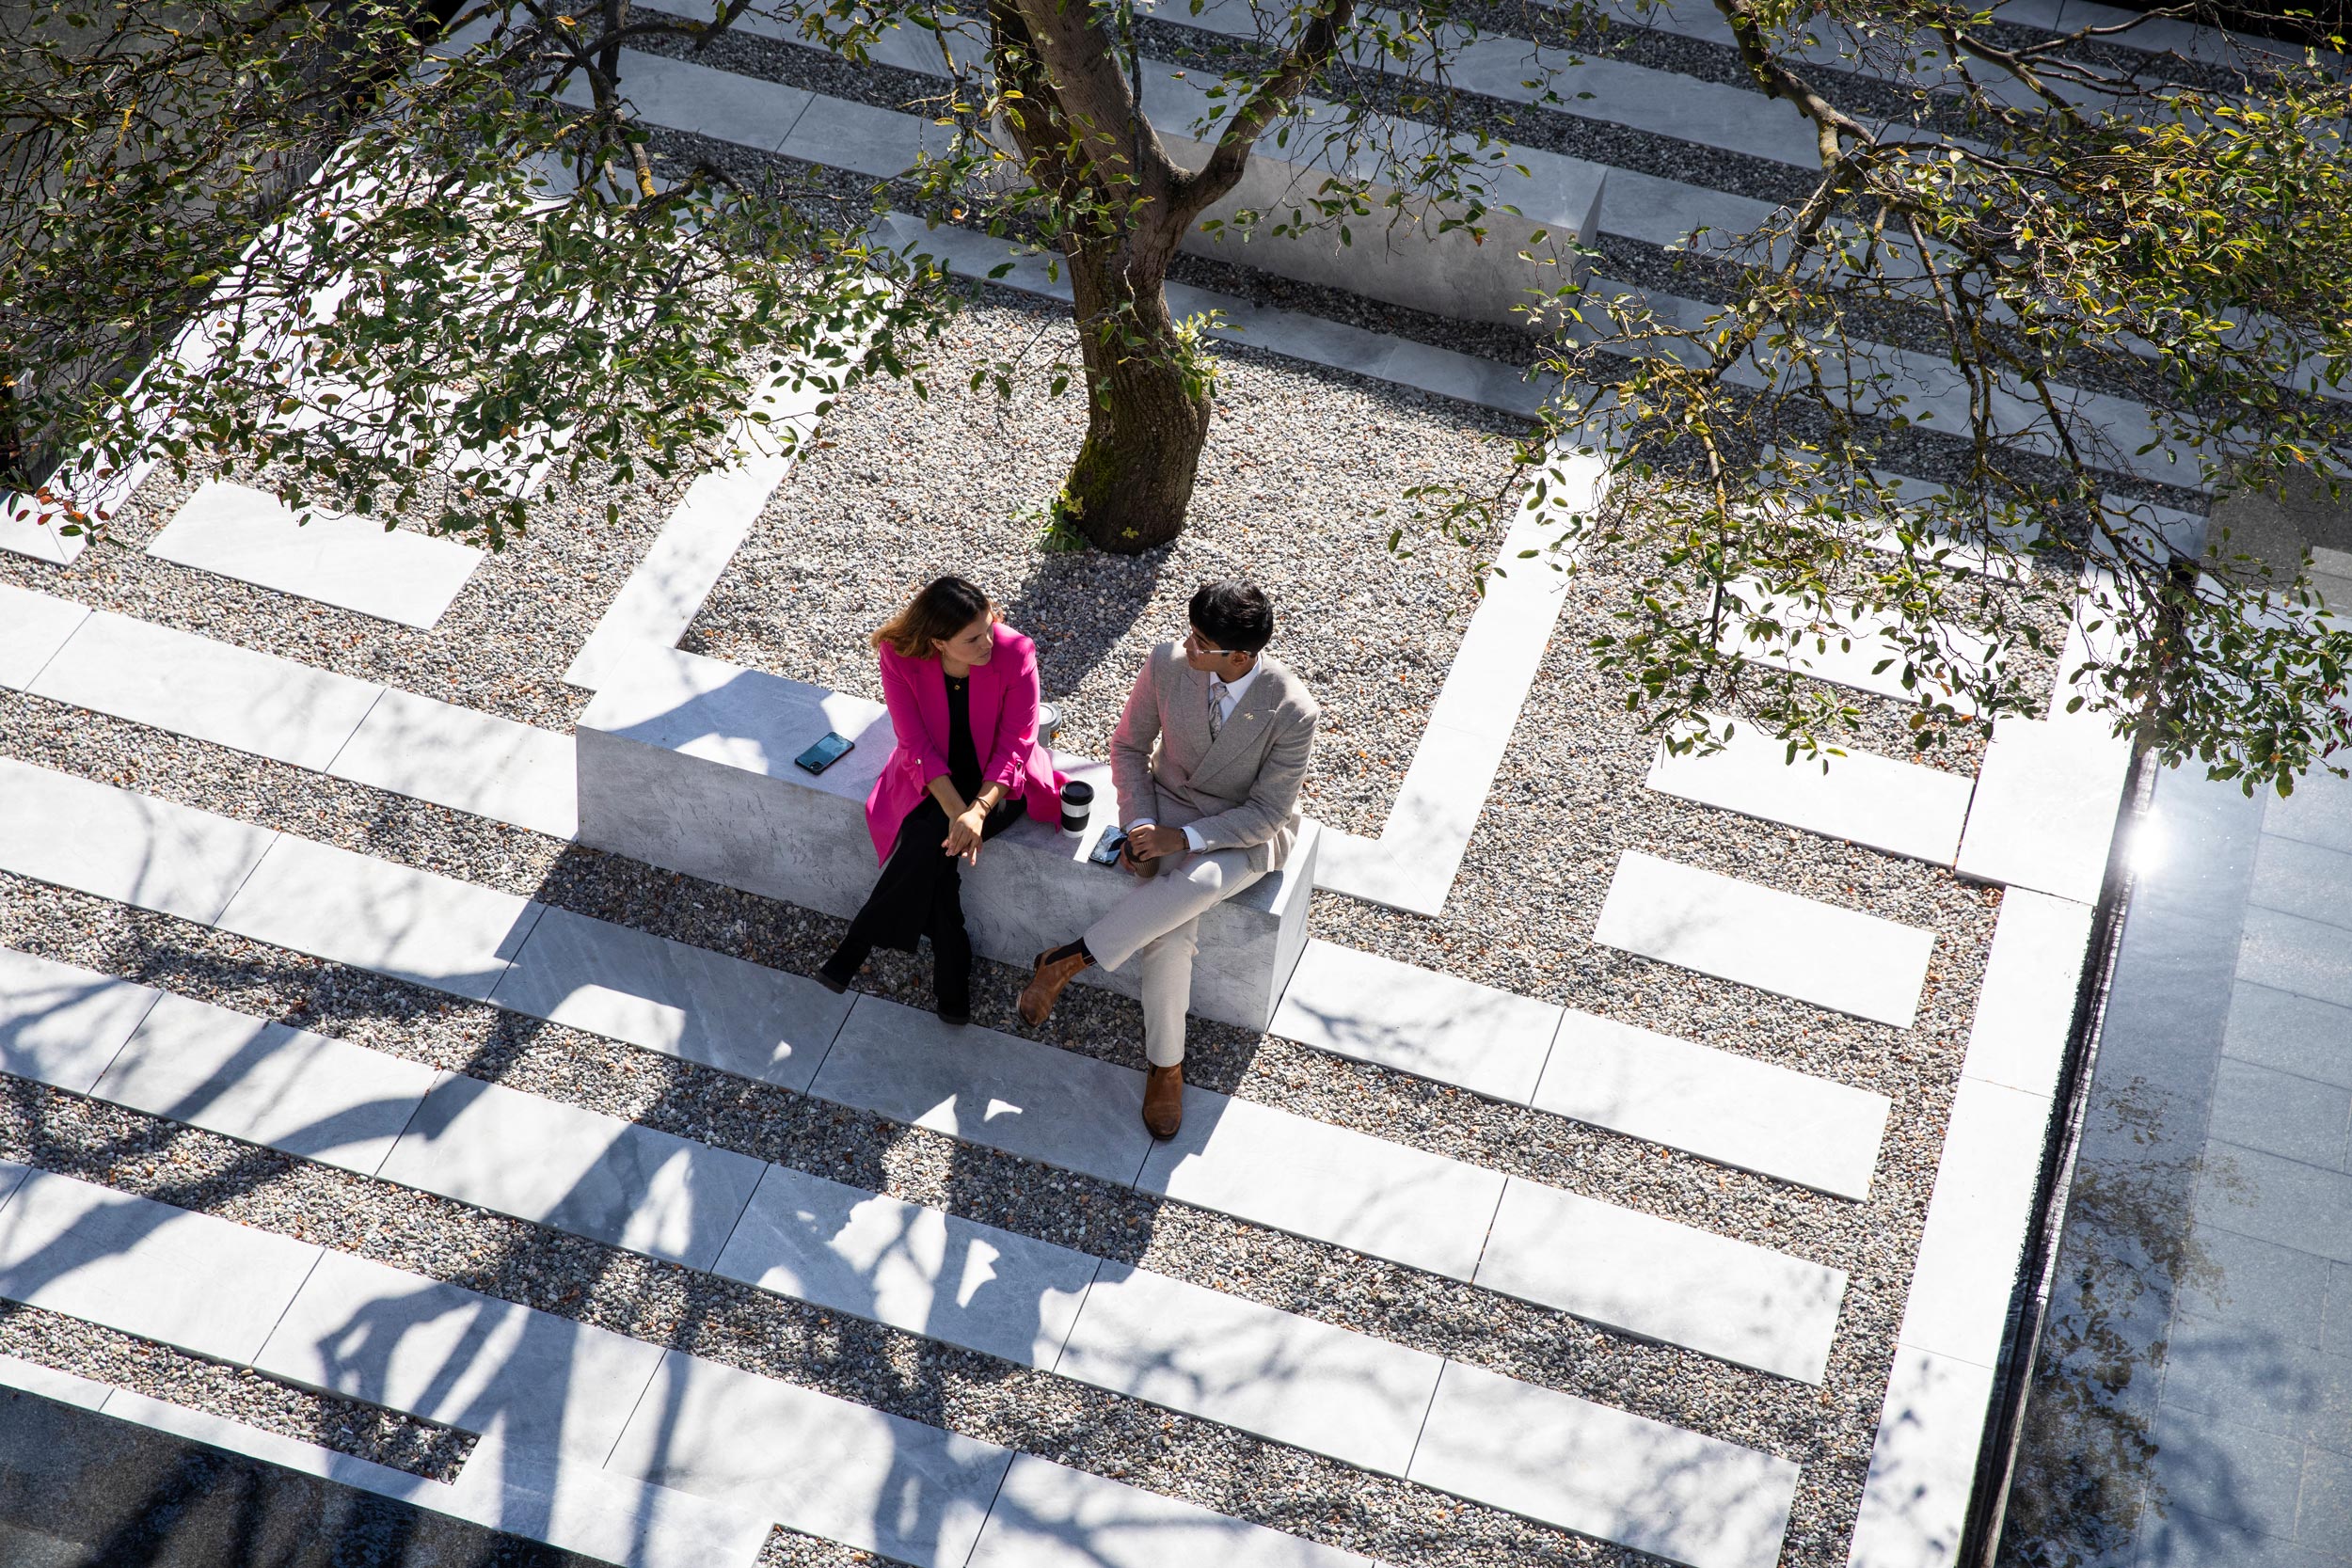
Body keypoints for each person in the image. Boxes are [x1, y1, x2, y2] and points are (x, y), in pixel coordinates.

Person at [1015, 579, 1317, 1138]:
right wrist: (1139, 827)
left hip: (1239, 834)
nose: (1188, 646)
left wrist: (1183, 839)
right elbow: (1129, 748)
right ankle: (1166, 1067)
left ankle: (1070, 959)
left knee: (1201, 884)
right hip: (1165, 807)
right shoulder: (1167, 663)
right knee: (1171, 936)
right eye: (1190, 633)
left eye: (1201, 642)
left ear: (1241, 656)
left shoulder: (1292, 711)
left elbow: (1268, 813)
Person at [818, 576, 1062, 1023]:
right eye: (973, 639)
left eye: (988, 627)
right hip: (931, 776)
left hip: (1000, 784)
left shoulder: (1015, 652)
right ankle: (952, 974)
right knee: (936, 852)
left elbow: (1016, 747)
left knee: (925, 838)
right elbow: (914, 743)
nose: (988, 642)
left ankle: (858, 945)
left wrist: (978, 811)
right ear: (938, 642)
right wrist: (958, 813)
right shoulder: (898, 655)